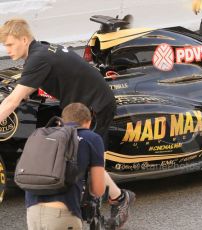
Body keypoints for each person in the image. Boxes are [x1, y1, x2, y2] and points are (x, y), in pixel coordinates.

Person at [0, 18, 135, 229]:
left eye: (9, 44)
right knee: (73, 154)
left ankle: (116, 200)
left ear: (24, 39)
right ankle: (106, 201)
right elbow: (22, 92)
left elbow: (12, 100)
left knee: (82, 157)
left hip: (95, 105)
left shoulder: (38, 58)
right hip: (77, 105)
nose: (7, 50)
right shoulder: (39, 51)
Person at [26, 102, 105, 230]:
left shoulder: (43, 134)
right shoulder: (92, 138)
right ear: (88, 121)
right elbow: (98, 189)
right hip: (63, 213)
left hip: (32, 211)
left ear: (62, 120)